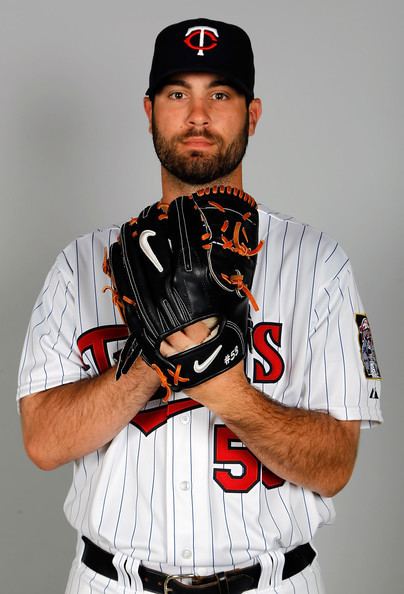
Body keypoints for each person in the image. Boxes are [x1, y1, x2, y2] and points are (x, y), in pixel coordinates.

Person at [17, 17, 382, 594]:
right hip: (115, 584)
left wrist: (224, 387)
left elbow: (335, 465)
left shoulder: (320, 264)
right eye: (177, 93)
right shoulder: (83, 263)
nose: (198, 116)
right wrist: (149, 362)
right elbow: (42, 441)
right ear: (149, 111)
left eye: (220, 94)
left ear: (252, 114)